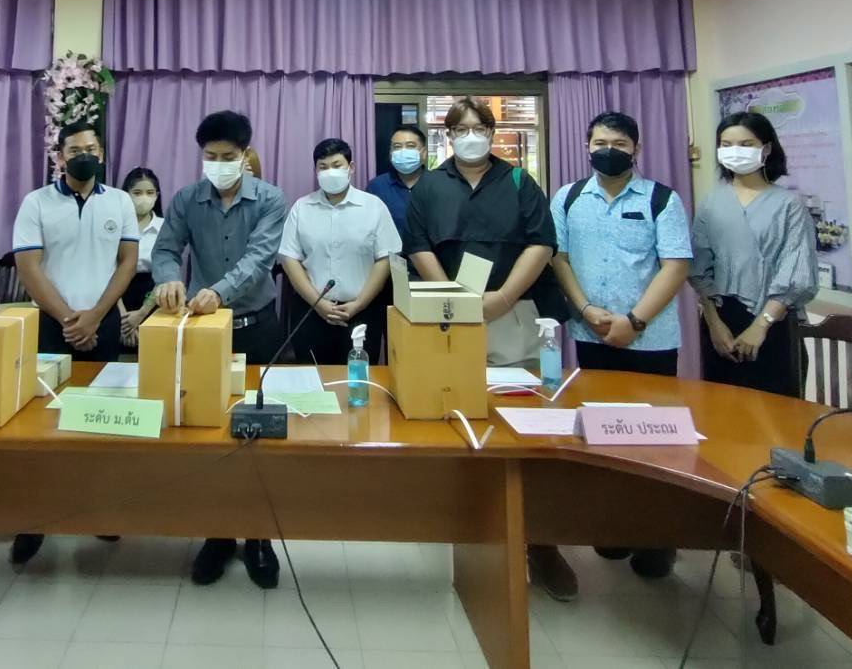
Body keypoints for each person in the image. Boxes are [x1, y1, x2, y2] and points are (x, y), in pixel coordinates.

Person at [403, 96, 574, 601]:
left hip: (513, 313)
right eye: (461, 129)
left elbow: (541, 244)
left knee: (522, 425)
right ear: (448, 136)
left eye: (479, 128)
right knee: (456, 414)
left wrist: (503, 298)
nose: (470, 136)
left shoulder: (519, 181)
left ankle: (540, 540)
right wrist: (453, 298)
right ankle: (468, 522)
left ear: (493, 133)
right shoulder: (430, 185)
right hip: (448, 316)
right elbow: (418, 246)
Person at [551, 110, 693, 580]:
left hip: (650, 341)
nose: (608, 151)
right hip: (590, 334)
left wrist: (634, 321)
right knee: (601, 437)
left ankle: (658, 539)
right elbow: (559, 259)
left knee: (654, 444)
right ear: (586, 147)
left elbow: (675, 265)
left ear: (636, 149)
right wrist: (586, 310)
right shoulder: (569, 197)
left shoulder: (662, 199)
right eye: (599, 143)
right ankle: (613, 526)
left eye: (618, 143)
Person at [153, 110, 287, 589]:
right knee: (208, 432)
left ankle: (259, 537)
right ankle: (217, 534)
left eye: (228, 156)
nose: (218, 164)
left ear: (245, 155)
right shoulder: (187, 199)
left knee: (258, 436)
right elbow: (165, 250)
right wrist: (168, 279)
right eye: (210, 156)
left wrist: (218, 291)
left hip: (256, 328)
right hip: (205, 332)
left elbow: (259, 259)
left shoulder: (270, 199)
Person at [10, 120, 139, 567]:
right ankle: (35, 520)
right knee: (43, 423)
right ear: (59, 156)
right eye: (74, 149)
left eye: (91, 148)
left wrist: (96, 316)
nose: (84, 155)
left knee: (102, 423)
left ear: (101, 153)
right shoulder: (36, 202)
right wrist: (69, 319)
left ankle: (101, 510)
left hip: (103, 323)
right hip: (52, 326)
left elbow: (127, 263)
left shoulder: (119, 201)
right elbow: (29, 266)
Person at [691, 112, 818, 397]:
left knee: (776, 415)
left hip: (775, 323)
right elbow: (699, 270)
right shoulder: (712, 203)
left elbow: (796, 272)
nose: (735, 151)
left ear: (767, 148)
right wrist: (713, 323)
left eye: (746, 144)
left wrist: (761, 326)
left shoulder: (789, 205)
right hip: (721, 324)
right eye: (726, 145)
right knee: (721, 410)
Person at [279, 138, 401, 366]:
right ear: (315, 171)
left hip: (362, 313)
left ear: (350, 167)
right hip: (311, 312)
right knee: (313, 379)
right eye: (323, 167)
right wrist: (318, 303)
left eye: (337, 165)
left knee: (358, 381)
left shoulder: (374, 207)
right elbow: (289, 259)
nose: (330, 172)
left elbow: (385, 258)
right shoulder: (301, 208)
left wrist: (359, 304)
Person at [118, 166, 165, 349]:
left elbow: (166, 274)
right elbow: (109, 271)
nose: (144, 198)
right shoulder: (116, 226)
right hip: (117, 295)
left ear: (157, 195)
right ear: (126, 194)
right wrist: (124, 319)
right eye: (137, 193)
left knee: (152, 353)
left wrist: (141, 314)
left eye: (150, 193)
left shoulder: (165, 227)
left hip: (154, 296)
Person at [367, 123, 427, 249]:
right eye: (397, 147)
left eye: (410, 146)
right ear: (390, 153)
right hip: (388, 258)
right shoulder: (376, 187)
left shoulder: (438, 184)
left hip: (432, 258)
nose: (403, 151)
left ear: (424, 153)